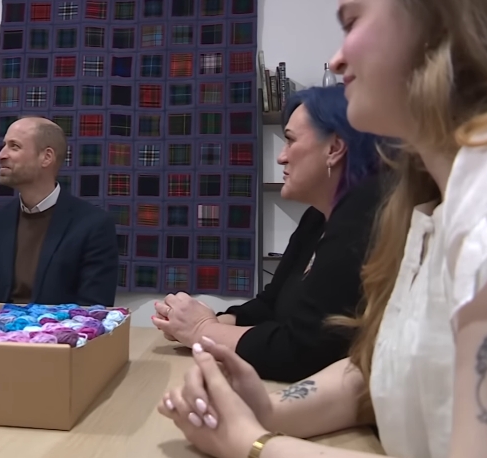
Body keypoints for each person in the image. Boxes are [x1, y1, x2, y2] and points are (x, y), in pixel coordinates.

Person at [156, 1, 487, 458]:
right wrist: (268, 409)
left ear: (444, 21)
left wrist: (253, 444)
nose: (336, 60)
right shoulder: (429, 197)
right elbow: (378, 368)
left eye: (352, 22)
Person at [151, 86, 385, 382]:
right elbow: (270, 306)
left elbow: (300, 353)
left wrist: (202, 331)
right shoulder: (316, 218)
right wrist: (206, 322)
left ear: (335, 148)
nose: (281, 158)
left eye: (290, 141)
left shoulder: (362, 223)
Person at [0, 117, 119, 306]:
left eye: (14, 146)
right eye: (4, 145)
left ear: (46, 157)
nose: (1, 155)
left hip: (63, 334)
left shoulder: (93, 225)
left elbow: (93, 311)